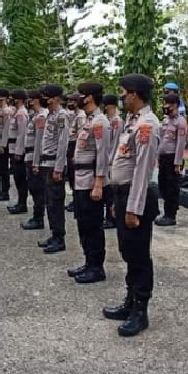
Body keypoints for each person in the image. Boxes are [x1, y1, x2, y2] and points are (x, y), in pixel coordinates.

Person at [102, 74, 161, 337]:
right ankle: (130, 302)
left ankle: (140, 311)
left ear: (135, 94)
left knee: (139, 256)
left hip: (136, 197)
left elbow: (142, 170)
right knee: (128, 252)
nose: (121, 97)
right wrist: (118, 201)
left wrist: (133, 208)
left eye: (124, 93)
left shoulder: (147, 125)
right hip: (123, 195)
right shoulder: (132, 122)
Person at [67, 82, 111, 284]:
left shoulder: (100, 122)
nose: (77, 98)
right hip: (81, 181)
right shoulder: (88, 120)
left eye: (81, 94)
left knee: (93, 226)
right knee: (83, 224)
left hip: (92, 182)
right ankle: (88, 262)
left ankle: (97, 268)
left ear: (90, 97)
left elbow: (102, 154)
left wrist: (99, 183)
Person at [34, 84, 70, 253]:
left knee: (55, 203)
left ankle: (59, 238)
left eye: (45, 96)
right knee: (50, 202)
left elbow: (63, 143)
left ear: (55, 98)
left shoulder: (62, 116)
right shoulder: (50, 115)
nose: (43, 98)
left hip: (54, 165)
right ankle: (54, 234)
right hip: (46, 163)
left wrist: (59, 168)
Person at [155, 93, 188, 226]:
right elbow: (161, 139)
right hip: (163, 157)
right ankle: (167, 211)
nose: (165, 106)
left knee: (172, 188)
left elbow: (181, 143)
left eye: (168, 104)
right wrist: (157, 156)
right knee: (162, 185)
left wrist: (178, 163)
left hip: (173, 158)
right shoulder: (165, 120)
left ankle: (170, 215)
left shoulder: (180, 121)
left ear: (174, 105)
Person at [22, 89, 48, 230]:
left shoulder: (41, 116)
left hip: (34, 157)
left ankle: (38, 218)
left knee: (37, 189)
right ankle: (36, 216)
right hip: (30, 156)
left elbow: (39, 141)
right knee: (33, 187)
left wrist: (36, 162)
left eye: (30, 99)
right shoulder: (35, 116)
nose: (28, 102)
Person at [102, 94, 123, 229]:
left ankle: (111, 218)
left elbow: (115, 142)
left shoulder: (116, 121)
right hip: (107, 159)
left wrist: (110, 160)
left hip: (112, 161)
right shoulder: (108, 120)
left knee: (111, 192)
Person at [7, 89, 29, 214]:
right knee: (17, 178)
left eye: (13, 98)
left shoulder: (21, 114)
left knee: (20, 178)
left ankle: (22, 204)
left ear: (19, 99)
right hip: (13, 149)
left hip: (18, 151)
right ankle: (20, 202)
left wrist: (19, 152)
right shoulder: (16, 112)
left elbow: (22, 134)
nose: (11, 100)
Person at [65, 93, 86, 212]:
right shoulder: (75, 115)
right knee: (71, 176)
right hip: (71, 145)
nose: (69, 103)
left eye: (72, 101)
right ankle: (75, 200)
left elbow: (80, 135)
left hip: (75, 146)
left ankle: (77, 201)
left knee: (74, 176)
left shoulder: (81, 116)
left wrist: (76, 153)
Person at [0, 89, 12, 201]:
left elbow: (6, 129)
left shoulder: (7, 111)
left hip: (2, 141)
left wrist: (2, 144)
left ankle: (5, 192)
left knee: (3, 168)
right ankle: (1, 190)